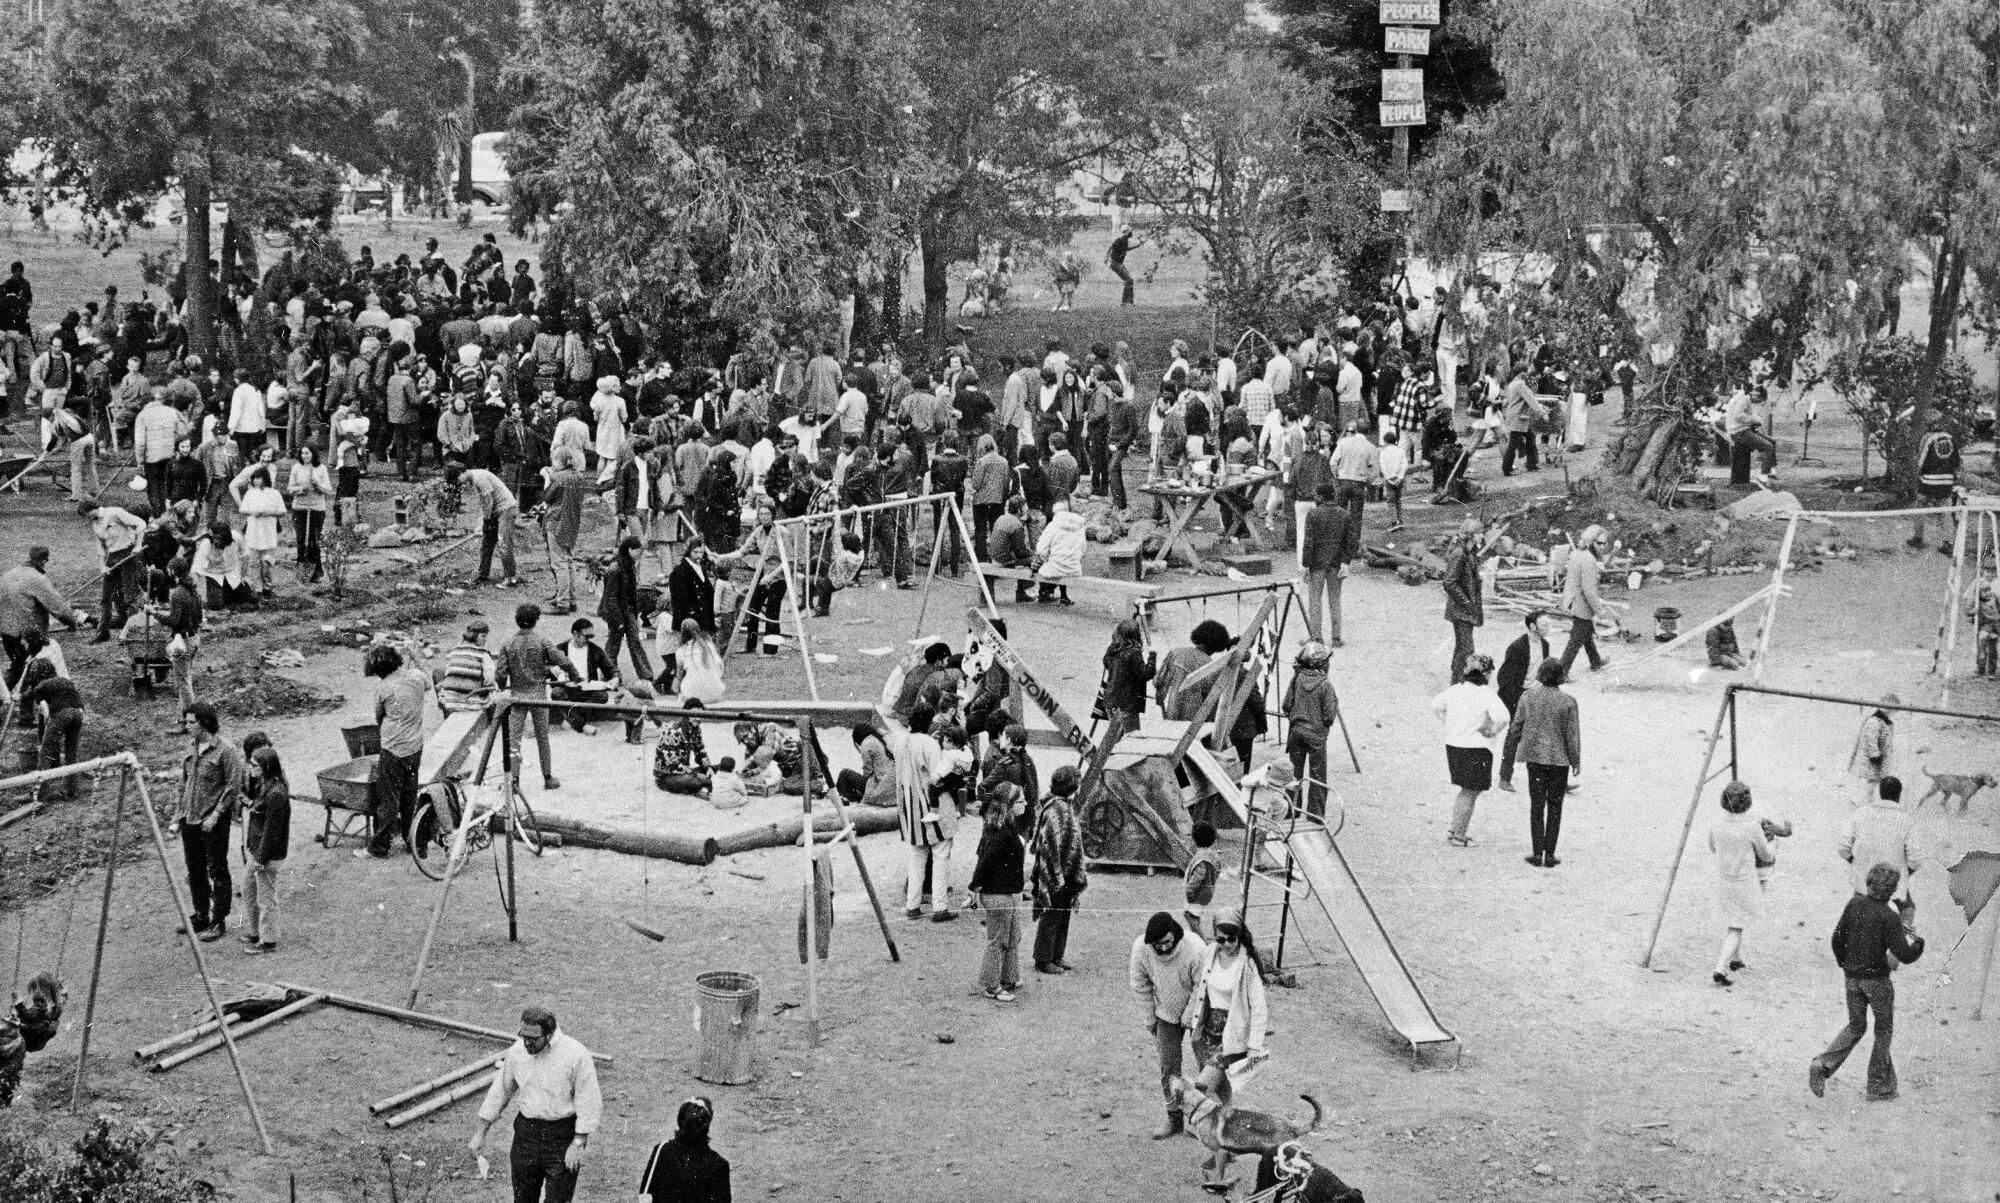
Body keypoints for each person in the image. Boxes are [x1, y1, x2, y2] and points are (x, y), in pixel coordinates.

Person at [1808, 863, 1925, 1102]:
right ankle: (1879, 1086)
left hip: (1852, 979)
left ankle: (1823, 1063)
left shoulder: (1854, 904)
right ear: (1892, 890)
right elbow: (1904, 955)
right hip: (1878, 982)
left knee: (1855, 1026)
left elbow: (1836, 939)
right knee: (1883, 1031)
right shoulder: (1890, 917)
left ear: (1868, 882)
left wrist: (1845, 964)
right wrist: (1918, 943)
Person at [470, 1005, 602, 1203]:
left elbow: (588, 1102)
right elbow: (500, 1092)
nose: (527, 1044)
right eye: (524, 1037)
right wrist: (480, 1133)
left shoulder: (576, 1054)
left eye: (533, 1039)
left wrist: (578, 1143)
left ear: (549, 1035)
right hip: (526, 1135)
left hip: (561, 1136)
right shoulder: (517, 1052)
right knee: (523, 1198)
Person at [1129, 912, 1207, 1140]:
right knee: (1168, 1068)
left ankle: (1203, 1119)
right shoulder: (1141, 949)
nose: (1163, 948)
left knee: (1207, 1067)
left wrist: (1190, 1016)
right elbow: (1140, 985)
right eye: (1157, 944)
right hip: (1165, 1012)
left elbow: (1201, 986)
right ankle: (1174, 1118)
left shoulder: (1195, 947)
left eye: (1167, 942)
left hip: (1198, 1010)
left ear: (1176, 935)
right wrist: (1149, 1019)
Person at [172, 702, 243, 941]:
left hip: (212, 821)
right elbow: (183, 785)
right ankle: (200, 914)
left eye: (192, 722)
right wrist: (177, 817)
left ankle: (218, 920)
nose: (188, 726)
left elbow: (233, 786)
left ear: (204, 723)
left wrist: (215, 815)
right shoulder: (191, 749)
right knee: (195, 871)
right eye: (187, 722)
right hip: (189, 820)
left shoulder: (226, 751)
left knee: (217, 870)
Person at [1182, 910, 1268, 1093]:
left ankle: (1216, 1120)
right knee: (1220, 1090)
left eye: (1231, 939)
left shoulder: (1247, 964)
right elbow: (1198, 986)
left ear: (1239, 936)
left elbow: (1259, 1008)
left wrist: (1254, 1047)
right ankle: (1226, 1120)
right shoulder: (1209, 953)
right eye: (1221, 940)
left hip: (1230, 1035)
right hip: (1205, 1032)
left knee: (1202, 1089)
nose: (1226, 944)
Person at [498, 602, 582, 789]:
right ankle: (547, 777)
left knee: (514, 740)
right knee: (542, 737)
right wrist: (575, 675)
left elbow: (501, 673)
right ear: (536, 621)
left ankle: (514, 781)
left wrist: (502, 686)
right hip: (538, 694)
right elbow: (562, 660)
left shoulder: (508, 642)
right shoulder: (542, 640)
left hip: (517, 696)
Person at [1706, 780, 1781, 987]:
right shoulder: (1751, 826)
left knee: (1733, 920)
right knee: (1737, 926)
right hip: (1744, 882)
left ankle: (1735, 959)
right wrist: (1774, 843)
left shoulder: (1716, 823)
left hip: (1723, 879)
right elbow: (1765, 855)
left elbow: (1712, 847)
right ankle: (1720, 967)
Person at [1432, 654, 1510, 847]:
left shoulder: (1454, 690)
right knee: (1470, 792)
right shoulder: (1486, 693)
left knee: (1465, 790)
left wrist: (1449, 724)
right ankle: (1459, 835)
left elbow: (1435, 706)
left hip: (1454, 745)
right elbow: (1503, 717)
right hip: (1476, 748)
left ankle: (1455, 827)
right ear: (1487, 673)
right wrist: (1492, 732)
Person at [1510, 658, 1581, 868]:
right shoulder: (1568, 702)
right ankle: (1550, 854)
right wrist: (1576, 760)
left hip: (1535, 758)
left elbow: (1516, 727)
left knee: (1537, 805)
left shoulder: (1528, 696)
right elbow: (1572, 737)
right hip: (1559, 761)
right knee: (1556, 806)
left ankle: (1537, 852)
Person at [362, 645, 430, 859]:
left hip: (392, 748)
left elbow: (378, 717)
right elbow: (428, 681)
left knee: (388, 799)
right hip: (415, 746)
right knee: (410, 794)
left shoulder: (383, 688)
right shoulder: (417, 677)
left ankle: (380, 846)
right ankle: (412, 842)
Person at [969, 781, 1031, 1002]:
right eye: (1021, 800)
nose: (1025, 803)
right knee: (998, 940)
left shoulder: (1005, 825)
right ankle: (991, 986)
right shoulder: (1000, 832)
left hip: (1010, 890)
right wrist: (973, 887)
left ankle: (1009, 976)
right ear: (1009, 804)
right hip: (998, 893)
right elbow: (984, 862)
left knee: (1013, 935)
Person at [896, 706, 955, 922]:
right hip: (930, 806)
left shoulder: (900, 741)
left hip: (909, 807)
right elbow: (936, 777)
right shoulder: (928, 743)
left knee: (916, 858)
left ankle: (912, 905)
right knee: (940, 854)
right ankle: (940, 907)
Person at [1031, 764, 1087, 975]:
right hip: (1055, 873)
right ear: (1072, 786)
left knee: (1062, 916)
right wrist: (1056, 873)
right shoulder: (1056, 809)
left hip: (1066, 871)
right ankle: (1043, 958)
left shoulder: (1063, 805)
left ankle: (1057, 955)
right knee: (1052, 916)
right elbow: (1050, 845)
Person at [1839, 775, 1919, 923]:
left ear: (1880, 793)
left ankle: (1854, 938)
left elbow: (1843, 847)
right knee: (1907, 908)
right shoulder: (1907, 820)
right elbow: (1916, 859)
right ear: (1898, 796)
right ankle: (1903, 939)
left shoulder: (1860, 813)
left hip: (1864, 876)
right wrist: (1904, 873)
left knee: (1857, 908)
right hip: (1893, 879)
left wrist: (1855, 862)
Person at [1495, 610, 1555, 791]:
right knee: (1514, 736)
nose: (1549, 628)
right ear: (1532, 627)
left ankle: (1555, 779)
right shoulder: (1517, 648)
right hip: (1518, 696)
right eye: (1545, 625)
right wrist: (1518, 703)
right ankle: (1504, 778)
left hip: (1537, 695)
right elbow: (1504, 680)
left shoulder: (1545, 644)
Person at [239, 744, 290, 955]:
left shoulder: (276, 793)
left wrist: (261, 858)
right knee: (248, 889)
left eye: (255, 765)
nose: (251, 768)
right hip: (257, 850)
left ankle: (268, 940)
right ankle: (255, 931)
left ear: (266, 767)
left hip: (266, 854)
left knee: (266, 897)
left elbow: (271, 830)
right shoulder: (264, 785)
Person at [1280, 642, 1337, 819]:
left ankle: (1291, 813)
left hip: (1296, 733)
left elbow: (1286, 705)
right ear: (1321, 664)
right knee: (1317, 777)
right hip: (1316, 737)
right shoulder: (1325, 685)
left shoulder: (1297, 679)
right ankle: (1315, 817)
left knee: (1294, 775)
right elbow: (1329, 716)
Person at [637, 1097, 731, 1203]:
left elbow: (645, 1195)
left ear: (680, 1121)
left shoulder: (662, 1150)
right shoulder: (719, 1165)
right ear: (707, 1126)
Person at [446, 460, 523, 587]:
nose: (460, 483)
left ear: (461, 473)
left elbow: (488, 500)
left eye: (458, 480)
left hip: (506, 509)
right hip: (494, 511)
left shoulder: (478, 478)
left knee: (503, 543)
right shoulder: (473, 480)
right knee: (486, 543)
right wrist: (482, 522)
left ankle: (511, 577)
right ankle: (482, 575)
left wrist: (487, 521)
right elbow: (483, 503)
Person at [1299, 482, 1355, 646]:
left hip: (1316, 564)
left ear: (1321, 497)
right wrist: (1346, 561)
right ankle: (1336, 638)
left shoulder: (1313, 514)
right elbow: (1349, 541)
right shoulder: (1344, 514)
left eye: (1317, 495)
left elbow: (1308, 542)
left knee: (1315, 600)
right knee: (1335, 601)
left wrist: (1305, 565)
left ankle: (1316, 637)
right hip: (1336, 563)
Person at [22, 660, 84, 802]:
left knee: (45, 753)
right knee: (71, 754)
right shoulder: (65, 681)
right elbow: (79, 704)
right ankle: (71, 792)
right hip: (78, 714)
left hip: (61, 715)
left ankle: (40, 793)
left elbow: (45, 710)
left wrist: (47, 729)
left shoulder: (41, 686)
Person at [596, 535, 654, 683]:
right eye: (638, 551)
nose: (640, 554)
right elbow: (611, 598)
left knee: (633, 641)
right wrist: (619, 620)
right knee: (614, 642)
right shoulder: (615, 569)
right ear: (630, 550)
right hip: (615, 611)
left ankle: (646, 674)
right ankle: (610, 674)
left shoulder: (628, 566)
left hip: (626, 609)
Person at [1558, 524, 1612, 675]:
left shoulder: (1578, 554)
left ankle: (1595, 662)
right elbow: (1589, 591)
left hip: (1573, 599)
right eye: (1599, 543)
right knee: (1576, 639)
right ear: (1591, 542)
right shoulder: (1588, 560)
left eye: (1605, 543)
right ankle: (1562, 672)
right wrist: (1599, 610)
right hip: (1581, 604)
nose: (1602, 546)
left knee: (1586, 633)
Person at [1099, 619, 1154, 749]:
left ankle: (1109, 760)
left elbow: (1107, 663)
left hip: (1111, 700)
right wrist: (1152, 658)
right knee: (1131, 737)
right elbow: (1144, 674)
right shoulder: (1133, 653)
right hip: (1126, 703)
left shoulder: (1113, 649)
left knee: (1115, 735)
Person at [1442, 518, 1484, 683]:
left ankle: (1457, 678)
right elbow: (1449, 582)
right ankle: (1457, 682)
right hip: (1461, 610)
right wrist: (1466, 603)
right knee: (1467, 648)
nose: (1482, 536)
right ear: (1472, 535)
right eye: (1480, 533)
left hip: (1465, 609)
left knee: (1462, 646)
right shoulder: (1460, 554)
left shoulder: (1469, 552)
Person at [287, 444, 331, 583]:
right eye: (303, 453)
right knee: (301, 540)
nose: (305, 456)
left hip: (317, 508)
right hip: (299, 507)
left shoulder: (321, 468)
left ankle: (317, 571)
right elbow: (290, 488)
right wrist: (301, 489)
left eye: (307, 453)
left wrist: (318, 485)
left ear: (313, 454)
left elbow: (328, 490)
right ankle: (301, 569)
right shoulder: (296, 467)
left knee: (314, 540)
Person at [653, 701, 713, 797]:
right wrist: (697, 775)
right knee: (697, 780)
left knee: (718, 768)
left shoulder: (696, 729)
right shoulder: (674, 730)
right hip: (668, 776)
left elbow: (700, 750)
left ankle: (707, 784)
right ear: (686, 714)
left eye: (700, 715)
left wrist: (708, 767)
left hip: (685, 771)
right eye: (694, 715)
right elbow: (673, 763)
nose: (698, 718)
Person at [1847, 695, 1897, 806]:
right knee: (1870, 780)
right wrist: (1875, 755)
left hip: (1879, 758)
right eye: (1893, 710)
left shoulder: (1885, 722)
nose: (1894, 713)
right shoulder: (1875, 721)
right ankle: (1861, 800)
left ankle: (1866, 800)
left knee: (1873, 781)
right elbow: (1871, 738)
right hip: (1872, 759)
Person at [438, 619, 499, 711]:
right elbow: (490, 679)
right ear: (474, 636)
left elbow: (448, 672)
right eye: (483, 636)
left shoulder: (453, 651)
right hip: (472, 702)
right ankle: (489, 722)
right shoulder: (483, 654)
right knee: (495, 693)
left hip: (449, 700)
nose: (485, 640)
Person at [1183, 822, 1221, 939]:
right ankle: (1199, 937)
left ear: (1195, 841)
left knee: (1189, 915)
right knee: (1195, 915)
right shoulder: (1212, 855)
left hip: (1197, 894)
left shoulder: (1202, 858)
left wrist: (1189, 892)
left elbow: (1198, 877)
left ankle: (1200, 940)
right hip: (1205, 892)